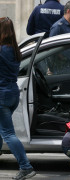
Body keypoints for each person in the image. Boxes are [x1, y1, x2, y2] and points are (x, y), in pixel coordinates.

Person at [0, 17, 36, 180]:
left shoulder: (1, 50)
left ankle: (25, 166)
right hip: (12, 93)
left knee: (8, 133)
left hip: (2, 95)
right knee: (1, 130)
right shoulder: (14, 50)